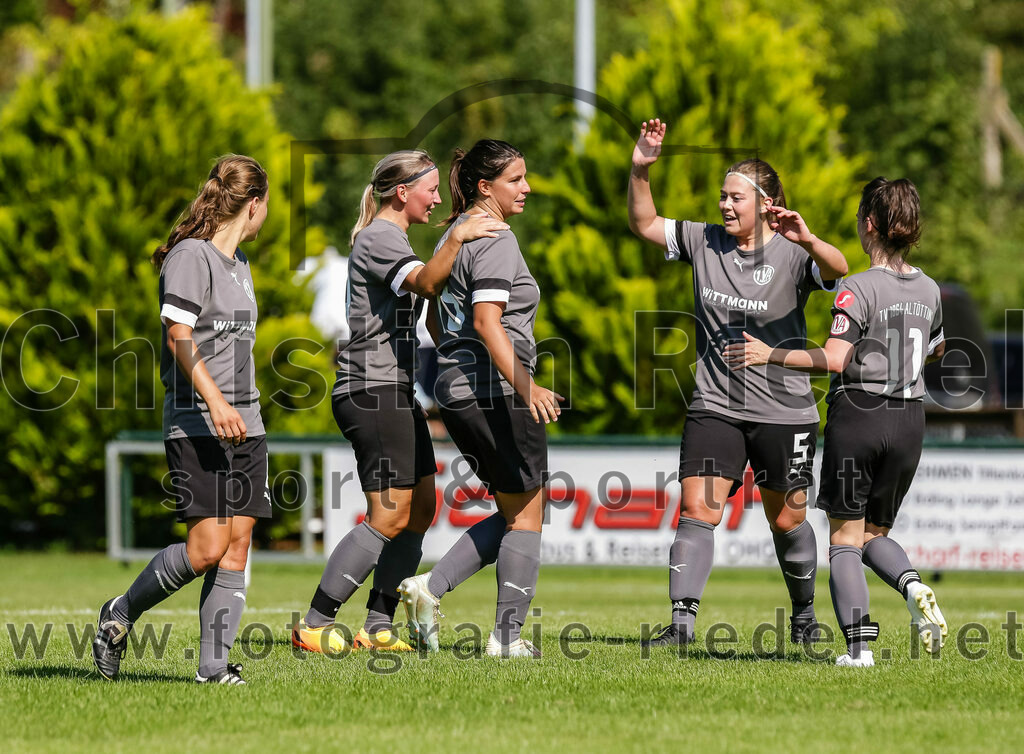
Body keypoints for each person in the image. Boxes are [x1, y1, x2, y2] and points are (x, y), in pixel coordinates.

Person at [627, 119, 849, 647]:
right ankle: (681, 626)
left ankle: (803, 613)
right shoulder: (704, 241)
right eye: (722, 197)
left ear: (765, 203)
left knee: (787, 518)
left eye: (735, 198)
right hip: (715, 404)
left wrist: (809, 237)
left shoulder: (795, 254)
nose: (724, 206)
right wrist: (640, 169)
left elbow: (841, 270)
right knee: (699, 508)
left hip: (786, 411)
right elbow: (645, 222)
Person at [725, 177, 948, 667]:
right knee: (876, 536)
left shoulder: (857, 287)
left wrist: (770, 353)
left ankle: (859, 649)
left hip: (861, 415)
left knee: (844, 541)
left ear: (869, 225)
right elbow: (939, 350)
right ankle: (910, 586)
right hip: (910, 420)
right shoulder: (930, 288)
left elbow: (832, 359)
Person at [291, 150, 507, 654]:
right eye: (430, 189)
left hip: (395, 390)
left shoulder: (397, 238)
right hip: (370, 390)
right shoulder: (380, 238)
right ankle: (314, 624)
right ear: (402, 192)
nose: (437, 198)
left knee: (420, 509)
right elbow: (428, 282)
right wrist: (456, 238)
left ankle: (378, 624)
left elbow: (430, 310)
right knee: (389, 515)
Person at [92, 155, 272, 685]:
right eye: (266, 208)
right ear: (254, 204)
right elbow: (179, 336)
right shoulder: (192, 256)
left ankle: (214, 670)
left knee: (237, 543)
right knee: (207, 547)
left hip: (247, 424)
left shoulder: (240, 266)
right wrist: (216, 402)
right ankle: (119, 613)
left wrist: (240, 408)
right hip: (198, 423)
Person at [399, 139, 563, 658]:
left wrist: (457, 368)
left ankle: (433, 588)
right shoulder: (494, 238)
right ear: (484, 187)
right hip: (494, 391)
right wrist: (526, 386)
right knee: (527, 515)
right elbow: (487, 321)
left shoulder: (456, 232)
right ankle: (504, 638)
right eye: (516, 179)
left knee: (518, 510)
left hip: (456, 388)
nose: (527, 188)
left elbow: (432, 315)